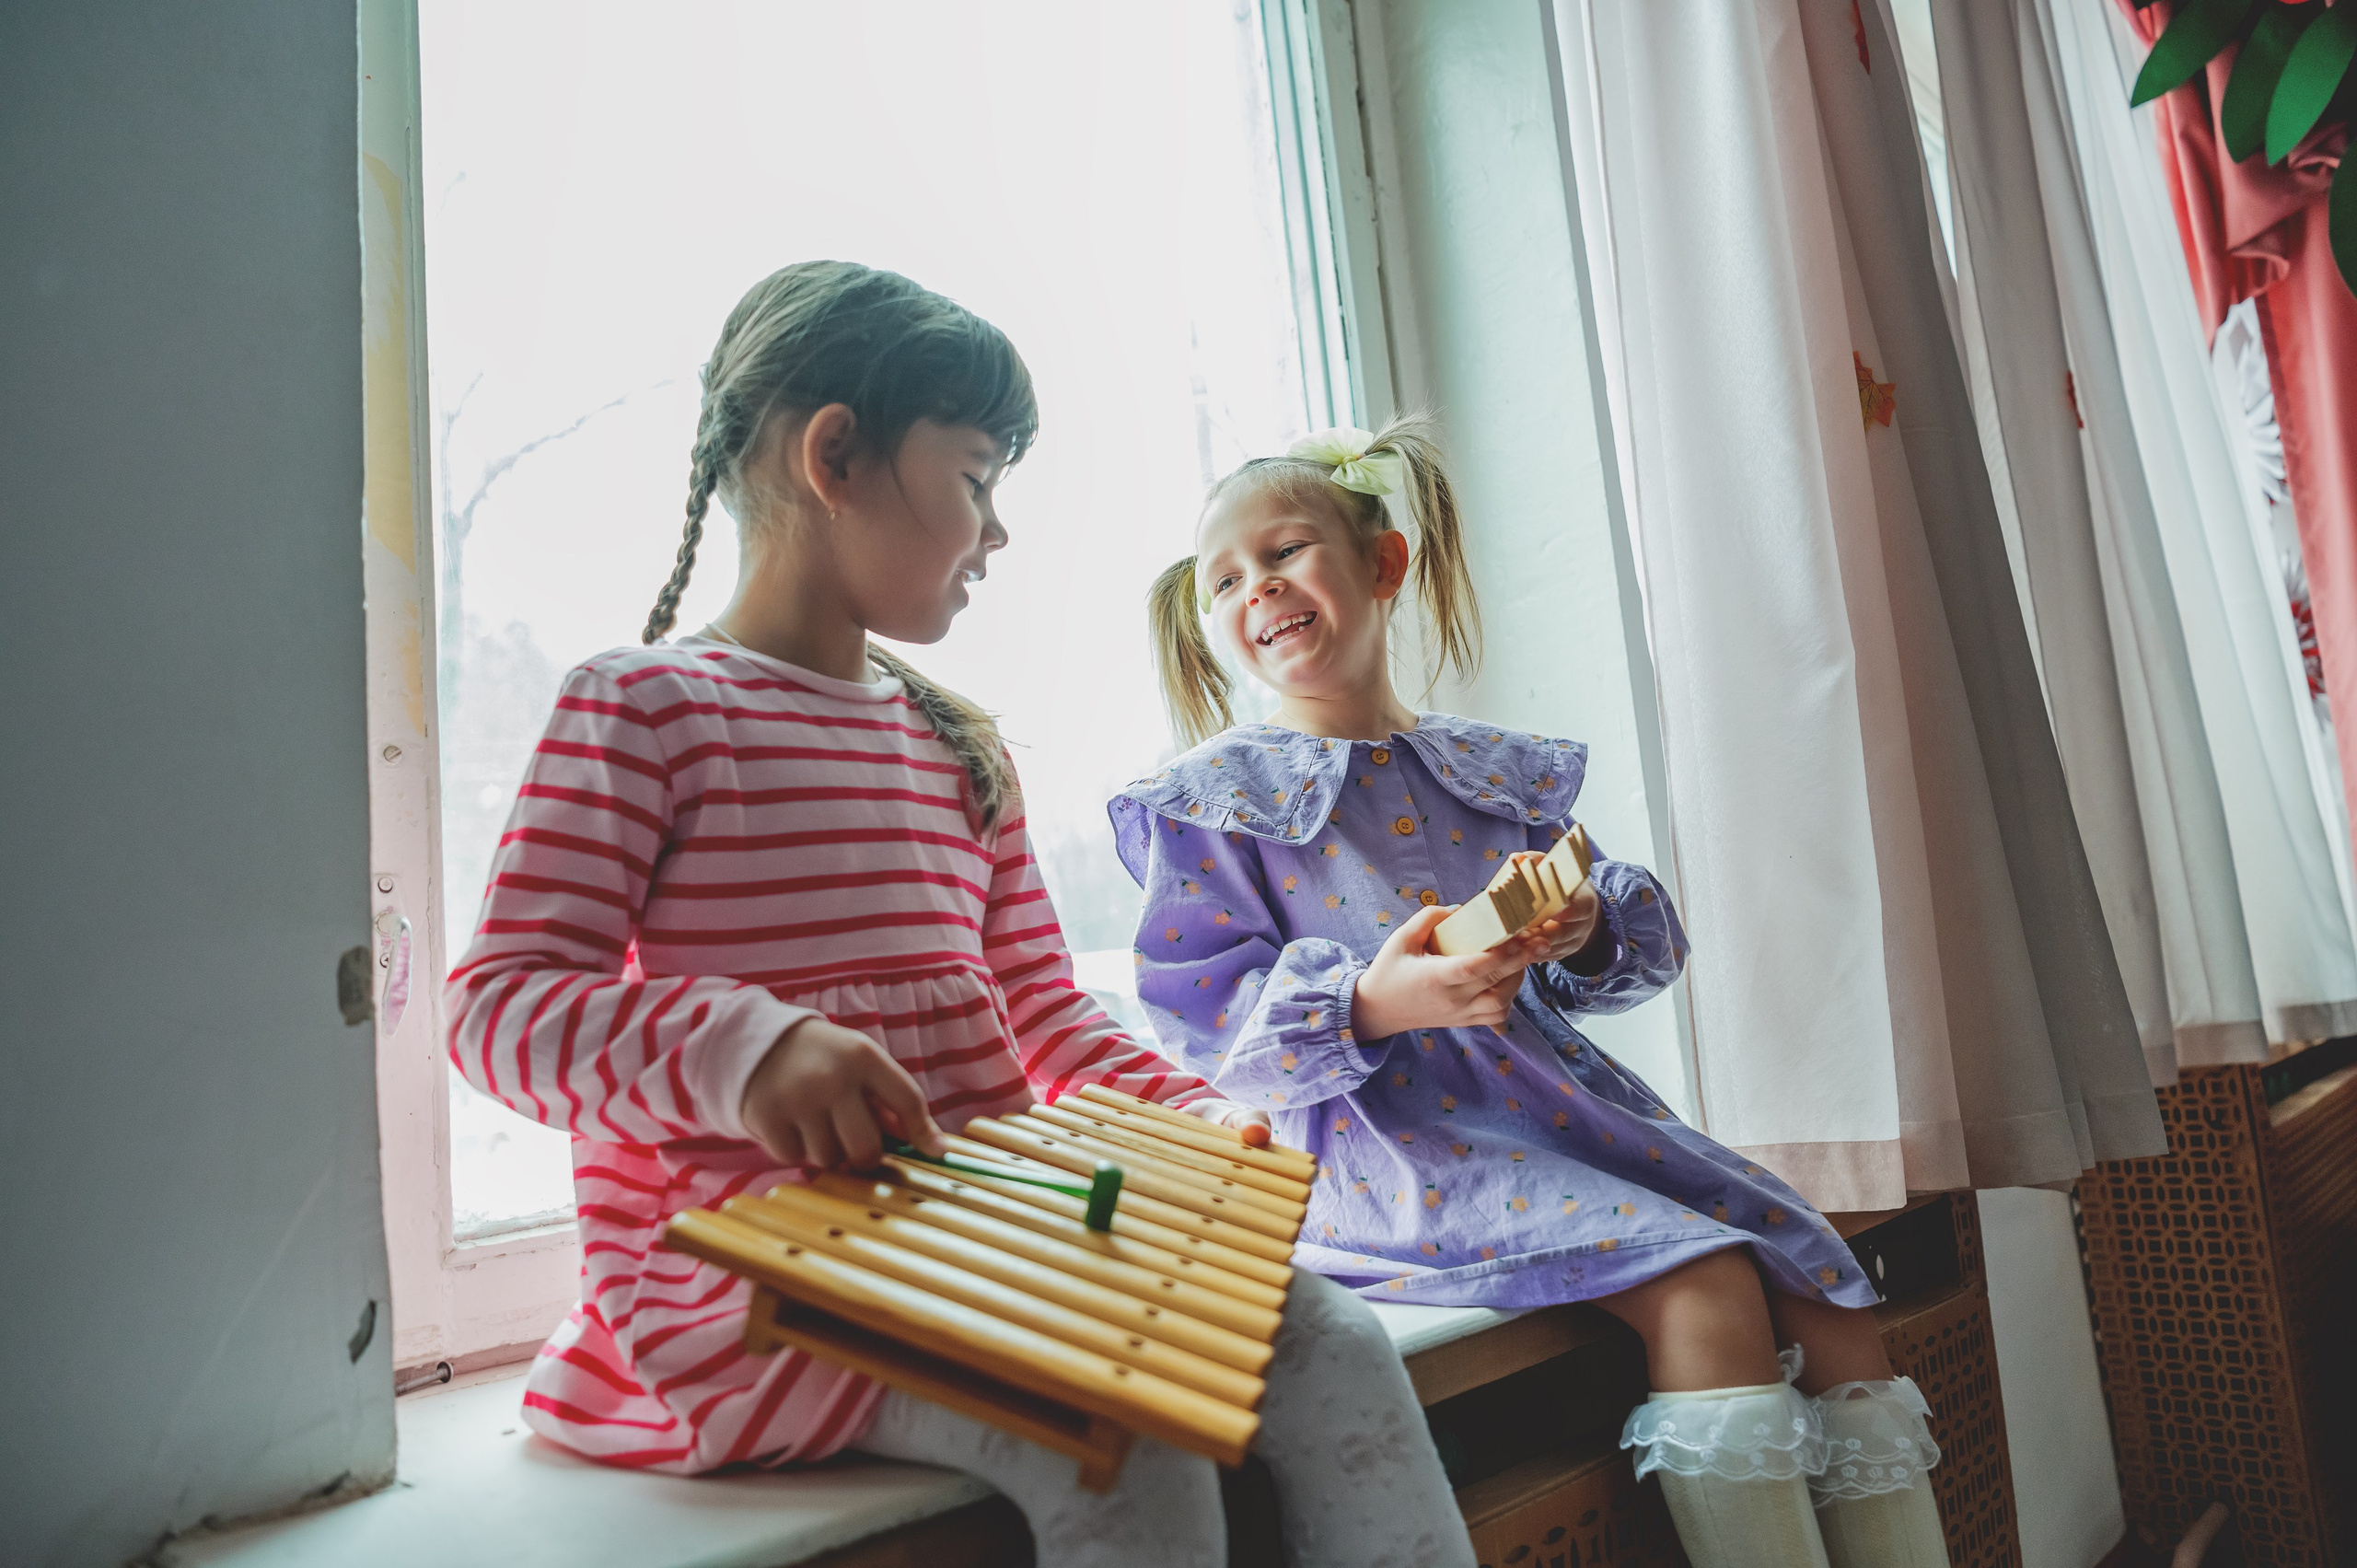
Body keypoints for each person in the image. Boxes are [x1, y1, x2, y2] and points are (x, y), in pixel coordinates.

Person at [443, 262, 1476, 1568]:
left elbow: (1042, 1011)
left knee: (1337, 1338)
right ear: (837, 452)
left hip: (980, 1239)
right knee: (1122, 1432)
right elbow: (499, 1006)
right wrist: (742, 1046)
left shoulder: (953, 743)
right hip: (751, 1288)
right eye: (979, 477)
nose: (998, 532)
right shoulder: (643, 706)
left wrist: (1200, 1119)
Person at [1120, 417, 1950, 1568]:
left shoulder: (1495, 774)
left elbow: (1634, 963)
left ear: (1383, 563)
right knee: (1706, 1283)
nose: (1254, 587)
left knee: (1829, 1290)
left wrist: (1584, 918)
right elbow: (1208, 1027)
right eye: (1222, 579)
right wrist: (1374, 1000)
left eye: (1282, 551)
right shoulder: (1211, 803)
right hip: (1391, 1152)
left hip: (1561, 1111)